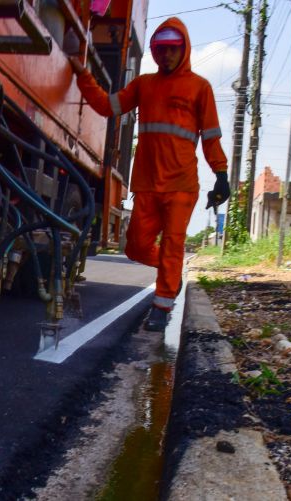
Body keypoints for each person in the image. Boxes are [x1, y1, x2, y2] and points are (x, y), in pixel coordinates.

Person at [70, 17, 230, 331]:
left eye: (173, 49)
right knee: (136, 246)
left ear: (183, 49)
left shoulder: (200, 87)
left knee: (173, 243)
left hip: (182, 185)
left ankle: (161, 305)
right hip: (146, 184)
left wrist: (221, 176)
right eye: (160, 49)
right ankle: (170, 272)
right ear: (154, 52)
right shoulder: (144, 85)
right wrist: (83, 76)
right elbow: (107, 106)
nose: (166, 55)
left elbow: (211, 137)